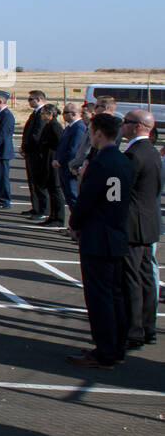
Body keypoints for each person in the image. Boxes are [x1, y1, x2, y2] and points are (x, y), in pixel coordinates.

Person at [66, 114, 133, 369]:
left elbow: (87, 200)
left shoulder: (101, 163)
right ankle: (115, 347)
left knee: (99, 298)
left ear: (98, 134)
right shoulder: (123, 161)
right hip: (115, 233)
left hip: (98, 236)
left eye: (91, 132)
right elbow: (114, 199)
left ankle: (105, 351)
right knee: (115, 296)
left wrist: (75, 223)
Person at [121, 110, 161, 350]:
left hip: (132, 225)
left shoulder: (133, 155)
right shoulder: (153, 153)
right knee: (146, 277)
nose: (122, 126)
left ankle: (133, 330)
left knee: (131, 279)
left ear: (137, 127)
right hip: (148, 223)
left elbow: (118, 193)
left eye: (126, 123)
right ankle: (148, 327)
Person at [20, 90, 52, 219]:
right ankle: (36, 207)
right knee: (32, 182)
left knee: (39, 183)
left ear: (38, 99)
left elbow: (36, 135)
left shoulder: (42, 113)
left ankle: (43, 209)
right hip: (30, 152)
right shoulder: (36, 113)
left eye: (31, 99)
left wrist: (26, 148)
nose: (29, 102)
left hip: (36, 153)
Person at [34, 104, 66, 227]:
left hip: (52, 161)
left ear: (50, 114)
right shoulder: (49, 125)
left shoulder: (55, 126)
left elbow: (59, 144)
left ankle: (58, 218)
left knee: (55, 189)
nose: (42, 116)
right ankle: (52, 216)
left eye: (44, 114)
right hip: (47, 160)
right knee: (51, 189)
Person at [52, 103, 85, 218]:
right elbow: (61, 145)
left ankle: (77, 225)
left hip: (69, 168)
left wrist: (60, 161)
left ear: (74, 113)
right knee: (69, 197)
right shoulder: (70, 127)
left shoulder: (79, 127)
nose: (63, 115)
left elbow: (73, 149)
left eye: (65, 113)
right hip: (63, 168)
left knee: (73, 197)